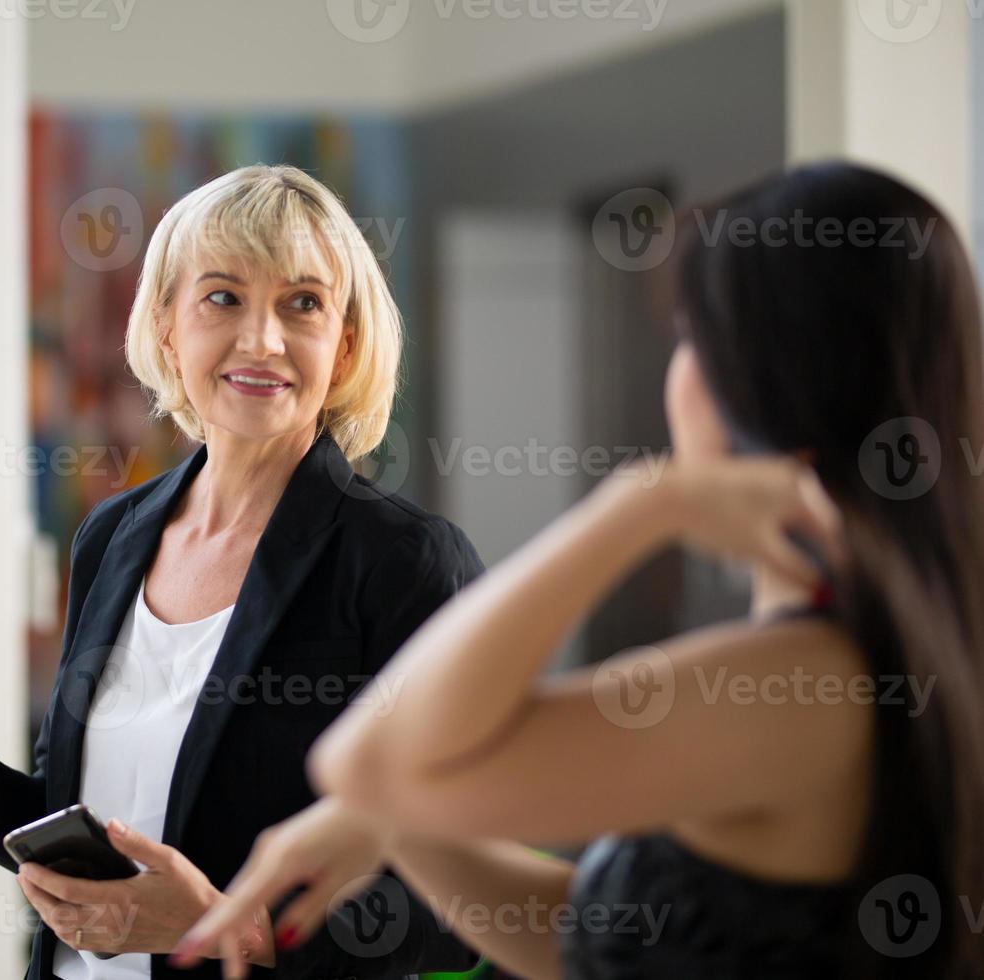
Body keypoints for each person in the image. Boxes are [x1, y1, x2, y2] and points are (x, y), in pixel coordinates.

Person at [175, 163, 984, 979]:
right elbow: (603, 939)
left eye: (691, 341)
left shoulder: (803, 684)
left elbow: (367, 761)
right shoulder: (868, 656)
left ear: (755, 383)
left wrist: (642, 502)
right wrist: (397, 825)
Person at [0, 164, 486, 978]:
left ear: (343, 345)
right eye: (223, 297)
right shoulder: (113, 537)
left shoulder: (404, 563)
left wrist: (228, 926)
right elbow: (88, 843)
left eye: (302, 303)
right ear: (167, 326)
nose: (262, 339)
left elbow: (457, 904)